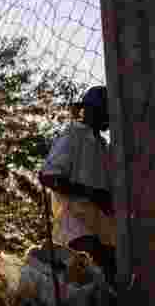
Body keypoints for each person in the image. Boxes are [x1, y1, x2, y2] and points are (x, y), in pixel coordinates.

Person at [38, 85, 117, 286]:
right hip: (74, 223)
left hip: (102, 226)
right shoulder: (74, 135)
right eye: (104, 110)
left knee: (112, 277)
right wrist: (90, 193)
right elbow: (48, 176)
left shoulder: (104, 147)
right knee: (94, 273)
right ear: (90, 110)